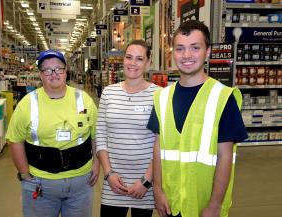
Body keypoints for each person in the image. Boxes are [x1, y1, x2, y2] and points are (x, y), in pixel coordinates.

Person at [147, 20, 248, 217]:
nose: (186, 55)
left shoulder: (223, 97)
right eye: (180, 48)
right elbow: (158, 147)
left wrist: (215, 205)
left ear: (207, 52)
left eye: (195, 48)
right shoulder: (162, 97)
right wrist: (157, 191)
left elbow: (225, 155)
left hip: (205, 205)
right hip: (171, 202)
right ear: (173, 53)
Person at [6, 49, 99, 217]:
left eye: (58, 68)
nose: (53, 74)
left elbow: (95, 135)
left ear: (65, 72)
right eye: (47, 70)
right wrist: (25, 174)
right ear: (41, 75)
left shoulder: (84, 99)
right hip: (40, 183)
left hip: (81, 184)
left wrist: (97, 164)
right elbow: (15, 140)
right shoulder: (27, 104)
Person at [96, 40, 158, 217]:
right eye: (129, 57)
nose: (133, 63)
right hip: (113, 183)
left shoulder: (159, 95)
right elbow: (100, 135)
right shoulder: (109, 93)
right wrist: (108, 174)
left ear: (148, 62)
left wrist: (146, 181)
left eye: (139, 59)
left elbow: (162, 142)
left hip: (144, 185)